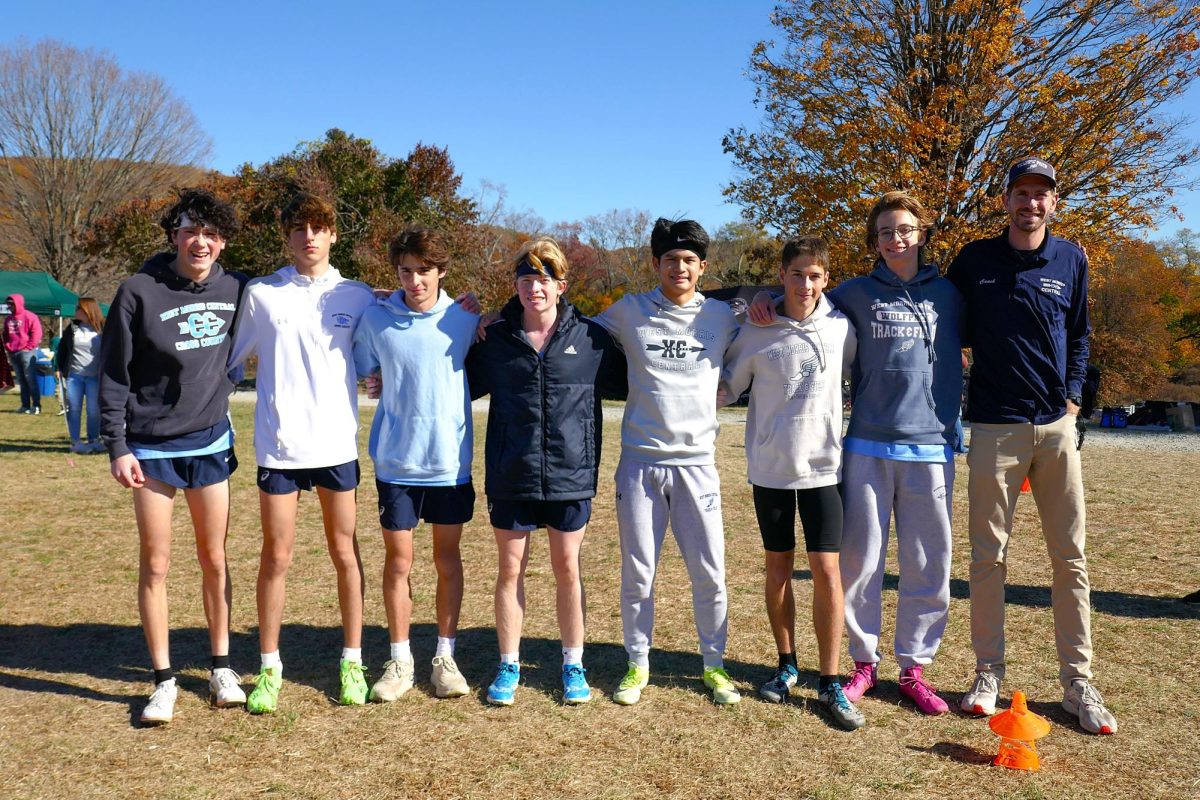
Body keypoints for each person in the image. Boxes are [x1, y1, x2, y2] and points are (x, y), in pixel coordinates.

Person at [750, 193, 963, 718]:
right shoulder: (853, 294)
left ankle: (914, 668)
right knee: (860, 563)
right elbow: (800, 299)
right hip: (866, 442)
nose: (897, 239)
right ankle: (863, 664)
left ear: (922, 234)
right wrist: (756, 299)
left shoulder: (951, 296)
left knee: (927, 562)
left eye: (906, 229)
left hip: (931, 444)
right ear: (875, 241)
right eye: (886, 231)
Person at [948, 157, 1118, 735]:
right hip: (993, 427)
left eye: (1041, 194)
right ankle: (988, 672)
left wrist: (1073, 401)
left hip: (1054, 428)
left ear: (1053, 202)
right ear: (1006, 200)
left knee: (1069, 559)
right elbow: (943, 323)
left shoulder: (1072, 259)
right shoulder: (974, 260)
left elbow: (1080, 333)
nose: (1031, 203)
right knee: (987, 559)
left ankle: (1077, 683)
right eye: (1022, 192)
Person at [99, 188, 247, 724]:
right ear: (173, 235)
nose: (199, 241)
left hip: (209, 442)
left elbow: (301, 299)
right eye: (189, 231)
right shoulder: (138, 289)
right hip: (150, 449)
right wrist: (116, 446)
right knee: (157, 562)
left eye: (209, 233)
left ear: (222, 240)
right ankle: (163, 680)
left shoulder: (238, 287)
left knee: (214, 559)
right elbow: (113, 373)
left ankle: (221, 666)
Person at [227, 193, 376, 713]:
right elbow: (227, 362)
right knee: (277, 556)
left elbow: (398, 326)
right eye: (299, 228)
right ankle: (269, 669)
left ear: (334, 234)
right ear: (286, 237)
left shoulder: (357, 295)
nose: (309, 235)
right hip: (279, 446)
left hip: (336, 443)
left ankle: (352, 661)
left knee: (344, 552)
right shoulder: (261, 294)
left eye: (319, 227)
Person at [466, 238, 624, 706]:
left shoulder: (591, 339)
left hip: (570, 474)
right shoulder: (493, 340)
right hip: (511, 473)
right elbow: (447, 379)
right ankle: (509, 663)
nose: (535, 287)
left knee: (567, 569)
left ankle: (572, 663)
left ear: (562, 286)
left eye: (545, 279)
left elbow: (643, 380)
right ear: (515, 286)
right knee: (509, 569)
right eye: (526, 278)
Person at [594, 218, 742, 705]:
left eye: (689, 261)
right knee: (639, 571)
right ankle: (637, 664)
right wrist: (492, 316)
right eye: (670, 259)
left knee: (710, 571)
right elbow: (564, 327)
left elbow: (774, 307)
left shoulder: (723, 315)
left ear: (702, 267)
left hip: (698, 464)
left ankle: (714, 665)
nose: (679, 267)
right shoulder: (629, 310)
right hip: (640, 463)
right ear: (656, 264)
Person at [720, 236, 864, 730]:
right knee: (777, 568)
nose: (806, 284)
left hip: (825, 469)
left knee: (826, 570)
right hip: (771, 470)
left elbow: (868, 375)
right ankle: (785, 665)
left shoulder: (842, 328)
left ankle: (829, 680)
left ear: (827, 280)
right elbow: (726, 387)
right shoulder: (754, 329)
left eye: (815, 276)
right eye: (797, 274)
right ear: (781, 275)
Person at [351, 226, 478, 703]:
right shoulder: (376, 319)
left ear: (442, 271)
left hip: (448, 462)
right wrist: (373, 379)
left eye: (424, 271)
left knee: (447, 560)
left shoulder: (466, 318)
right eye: (406, 271)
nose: (415, 280)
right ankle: (400, 659)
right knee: (398, 562)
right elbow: (367, 367)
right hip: (396, 462)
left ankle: (445, 658)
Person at [56, 297, 106, 453]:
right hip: (74, 376)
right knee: (74, 408)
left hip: (95, 376)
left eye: (78, 308)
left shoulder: (103, 327)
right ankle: (75, 442)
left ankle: (93, 440)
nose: (75, 311)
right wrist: (59, 368)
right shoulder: (72, 328)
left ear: (87, 310)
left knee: (93, 410)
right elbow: (63, 349)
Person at [4, 292, 44, 414]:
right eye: (8, 304)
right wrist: (7, 346)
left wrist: (29, 347)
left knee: (30, 379)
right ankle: (25, 406)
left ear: (18, 303)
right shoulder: (8, 319)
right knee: (21, 380)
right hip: (13, 352)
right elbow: (5, 334)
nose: (9, 306)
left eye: (11, 304)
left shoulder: (30, 316)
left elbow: (37, 333)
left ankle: (36, 406)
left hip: (27, 352)